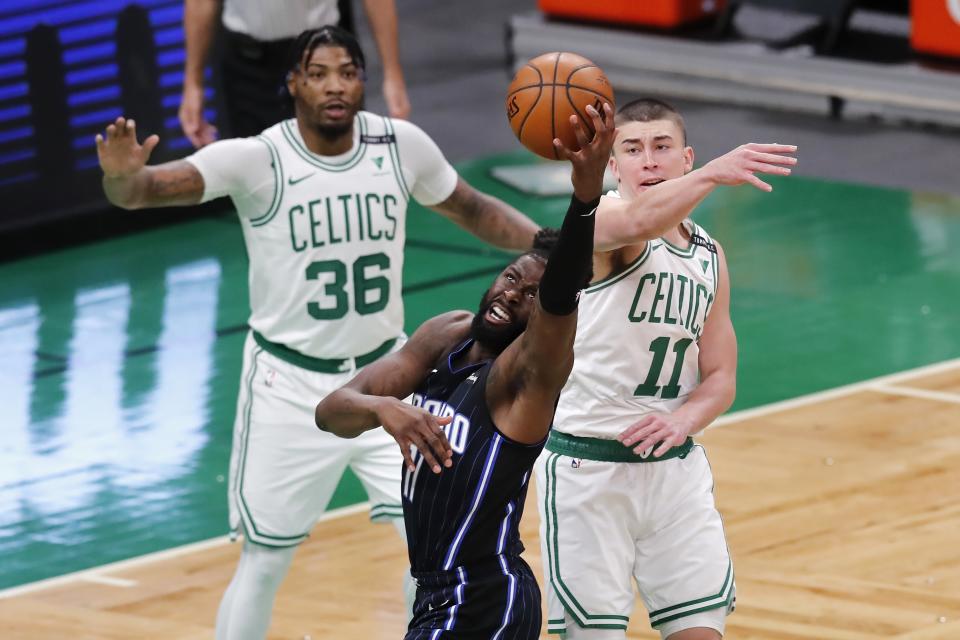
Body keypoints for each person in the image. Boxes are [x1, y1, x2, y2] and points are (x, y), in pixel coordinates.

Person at [96, 25, 538, 640]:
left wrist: (547, 243)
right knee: (265, 557)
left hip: (391, 374)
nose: (335, 86)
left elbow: (474, 209)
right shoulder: (257, 158)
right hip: (287, 380)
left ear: (363, 81)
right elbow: (143, 191)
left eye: (348, 72)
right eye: (319, 73)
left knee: (432, 542)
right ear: (294, 84)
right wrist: (121, 179)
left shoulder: (400, 145)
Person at [314, 102, 615, 639]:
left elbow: (561, 293)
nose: (510, 295)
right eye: (510, 277)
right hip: (438, 594)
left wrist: (585, 197)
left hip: (482, 597)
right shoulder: (445, 335)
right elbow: (330, 412)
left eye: (529, 297)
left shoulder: (525, 375)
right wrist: (381, 407)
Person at [535, 97, 798, 640]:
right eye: (632, 149)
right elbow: (643, 219)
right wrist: (714, 175)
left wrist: (683, 421)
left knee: (701, 631)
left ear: (685, 157)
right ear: (613, 166)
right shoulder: (606, 221)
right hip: (590, 470)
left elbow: (721, 375)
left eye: (662, 147)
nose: (649, 161)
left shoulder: (709, 255)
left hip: (674, 469)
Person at [179, 0, 410, 148]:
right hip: (248, 68)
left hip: (323, 61)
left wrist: (393, 74)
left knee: (343, 170)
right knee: (260, 181)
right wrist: (193, 83)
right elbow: (201, 3)